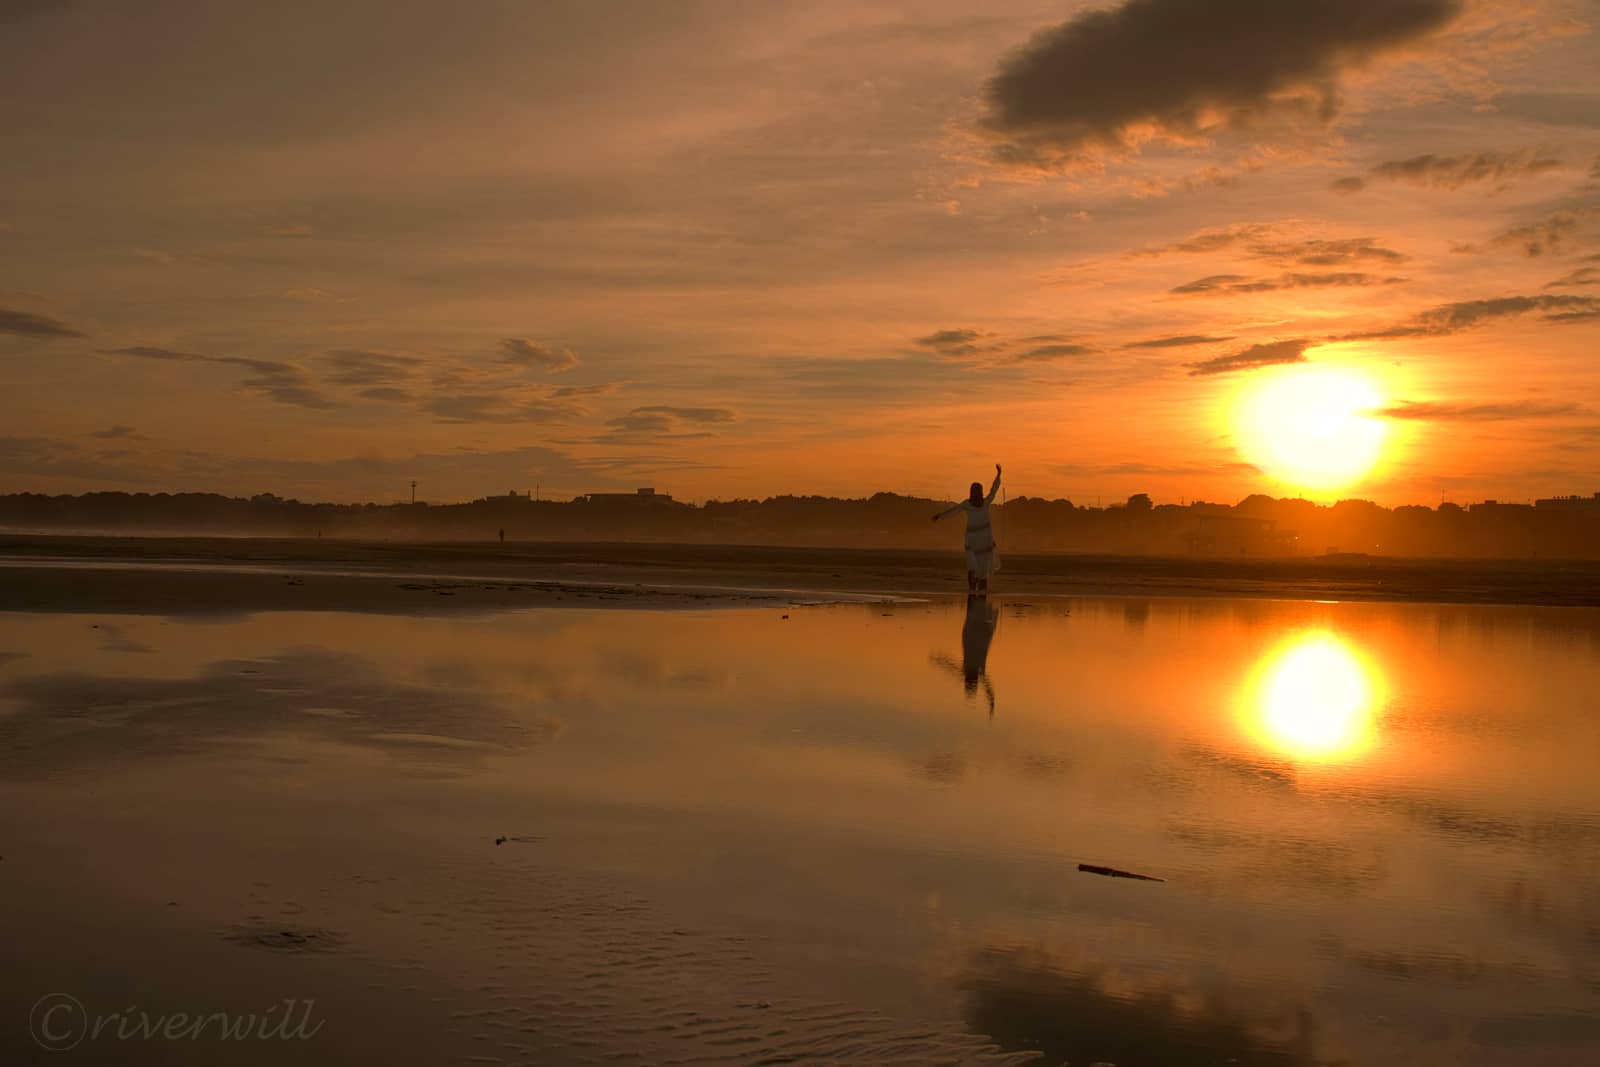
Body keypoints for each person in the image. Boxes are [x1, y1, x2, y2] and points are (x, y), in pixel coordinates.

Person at [931, 464, 1002, 592]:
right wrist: (940, 516)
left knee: (978, 566)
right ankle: (976, 591)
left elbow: (953, 511)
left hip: (979, 539)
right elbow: (954, 511)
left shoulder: (977, 503)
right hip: (978, 539)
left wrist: (998, 475)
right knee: (978, 566)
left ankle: (977, 590)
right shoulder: (975, 503)